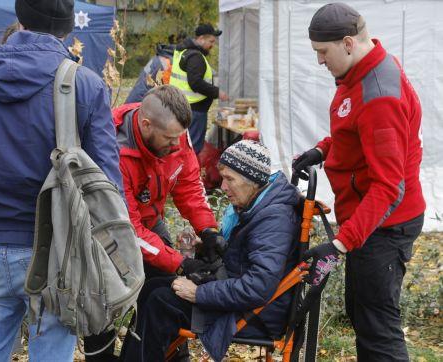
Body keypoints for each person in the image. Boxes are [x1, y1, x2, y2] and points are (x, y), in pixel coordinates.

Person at [0, 0, 123, 360]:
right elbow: (107, 183)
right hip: (60, 251)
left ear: (19, 19)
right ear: (69, 29)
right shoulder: (85, 84)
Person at [293, 3, 425, 361]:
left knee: (378, 328)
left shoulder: (379, 95)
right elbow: (355, 133)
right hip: (367, 220)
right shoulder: (360, 74)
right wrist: (323, 149)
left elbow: (388, 188)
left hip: (385, 225)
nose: (320, 61)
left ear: (348, 43)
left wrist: (339, 245)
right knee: (362, 312)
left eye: (323, 52)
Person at [118, 140, 300, 362]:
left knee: (160, 302)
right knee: (151, 288)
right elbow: (244, 261)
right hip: (239, 301)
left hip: (254, 315)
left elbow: (258, 286)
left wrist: (198, 293)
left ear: (252, 180)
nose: (223, 187)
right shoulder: (259, 204)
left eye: (229, 179)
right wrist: (207, 247)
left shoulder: (274, 220)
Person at [83, 85, 220, 360]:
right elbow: (127, 230)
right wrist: (180, 261)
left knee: (167, 289)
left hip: (149, 219)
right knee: (108, 296)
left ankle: (166, 354)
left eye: (179, 139)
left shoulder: (176, 136)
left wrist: (208, 229)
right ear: (146, 125)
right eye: (169, 139)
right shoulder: (112, 149)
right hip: (108, 228)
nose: (175, 145)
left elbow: (189, 185)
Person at [169, 24, 229, 154]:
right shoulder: (195, 57)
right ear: (201, 38)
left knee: (183, 146)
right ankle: (191, 173)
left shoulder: (183, 51)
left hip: (182, 106)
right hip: (194, 110)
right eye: (211, 41)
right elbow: (195, 83)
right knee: (193, 148)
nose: (212, 45)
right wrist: (217, 92)